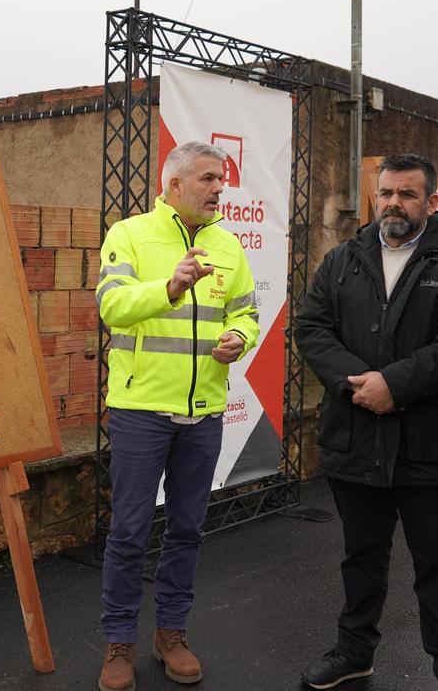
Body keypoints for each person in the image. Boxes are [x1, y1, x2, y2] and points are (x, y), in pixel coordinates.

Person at [293, 153, 438, 691]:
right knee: (361, 558)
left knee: (437, 567)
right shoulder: (343, 260)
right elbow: (311, 328)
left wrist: (395, 388)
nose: (393, 204)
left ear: (431, 201)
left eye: (406, 194)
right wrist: (362, 383)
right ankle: (355, 651)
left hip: (432, 446)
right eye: (385, 193)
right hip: (357, 437)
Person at [95, 141, 260, 691]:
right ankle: (119, 641)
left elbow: (246, 309)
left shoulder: (229, 245)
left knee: (187, 528)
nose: (219, 189)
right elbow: (111, 307)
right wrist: (169, 287)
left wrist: (240, 336)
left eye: (222, 180)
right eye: (210, 179)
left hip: (204, 411)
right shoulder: (130, 235)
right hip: (141, 409)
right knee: (130, 530)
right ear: (174, 185)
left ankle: (172, 632)